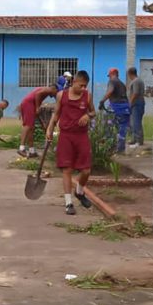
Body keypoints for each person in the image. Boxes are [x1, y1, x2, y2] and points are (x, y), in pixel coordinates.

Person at [46, 70, 95, 216]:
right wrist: (49, 129)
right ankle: (68, 203)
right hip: (66, 136)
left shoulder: (87, 96)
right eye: (81, 85)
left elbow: (93, 112)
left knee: (86, 170)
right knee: (67, 169)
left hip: (81, 136)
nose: (83, 88)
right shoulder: (62, 95)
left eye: (85, 86)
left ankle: (79, 192)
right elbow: (56, 114)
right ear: (74, 82)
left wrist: (88, 115)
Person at [18, 84, 59, 158]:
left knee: (31, 128)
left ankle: (32, 151)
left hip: (29, 104)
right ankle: (21, 148)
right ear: (54, 89)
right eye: (56, 92)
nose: (54, 96)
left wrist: (42, 122)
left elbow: (37, 112)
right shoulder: (48, 89)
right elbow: (37, 94)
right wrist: (37, 107)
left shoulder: (43, 94)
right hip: (28, 104)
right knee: (27, 125)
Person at [99, 68, 130, 153]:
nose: (109, 77)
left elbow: (110, 91)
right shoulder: (122, 84)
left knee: (108, 126)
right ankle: (121, 149)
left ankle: (109, 147)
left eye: (109, 76)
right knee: (122, 128)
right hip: (126, 109)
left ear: (112, 74)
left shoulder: (112, 81)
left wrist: (102, 101)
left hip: (116, 107)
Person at [127, 67, 145, 148]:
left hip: (136, 103)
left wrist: (130, 102)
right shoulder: (139, 80)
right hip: (138, 103)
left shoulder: (136, 81)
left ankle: (138, 140)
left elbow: (135, 93)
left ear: (130, 73)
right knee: (134, 122)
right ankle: (134, 139)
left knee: (136, 122)